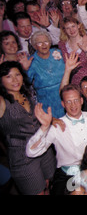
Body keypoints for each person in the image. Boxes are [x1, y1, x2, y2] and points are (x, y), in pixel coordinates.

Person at [26, 84, 87, 195]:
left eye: (76, 100)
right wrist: (44, 127)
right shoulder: (56, 126)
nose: (73, 105)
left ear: (82, 101)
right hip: (68, 176)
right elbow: (31, 152)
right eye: (68, 101)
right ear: (63, 104)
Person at [0, 61, 56, 195]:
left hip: (42, 147)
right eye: (8, 76)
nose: (14, 80)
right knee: (37, 192)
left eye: (17, 74)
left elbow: (36, 119)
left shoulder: (27, 94)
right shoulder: (2, 102)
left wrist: (53, 121)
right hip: (22, 156)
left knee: (48, 184)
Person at [18, 30, 67, 118]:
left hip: (64, 95)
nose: (44, 45)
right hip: (46, 100)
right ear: (35, 46)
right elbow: (26, 82)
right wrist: (25, 69)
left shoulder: (58, 53)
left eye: (46, 41)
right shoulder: (31, 60)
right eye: (39, 43)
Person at [58, 17, 87, 85]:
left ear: (78, 26)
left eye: (73, 26)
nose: (71, 30)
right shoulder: (62, 45)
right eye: (68, 28)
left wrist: (86, 51)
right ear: (64, 30)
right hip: (74, 84)